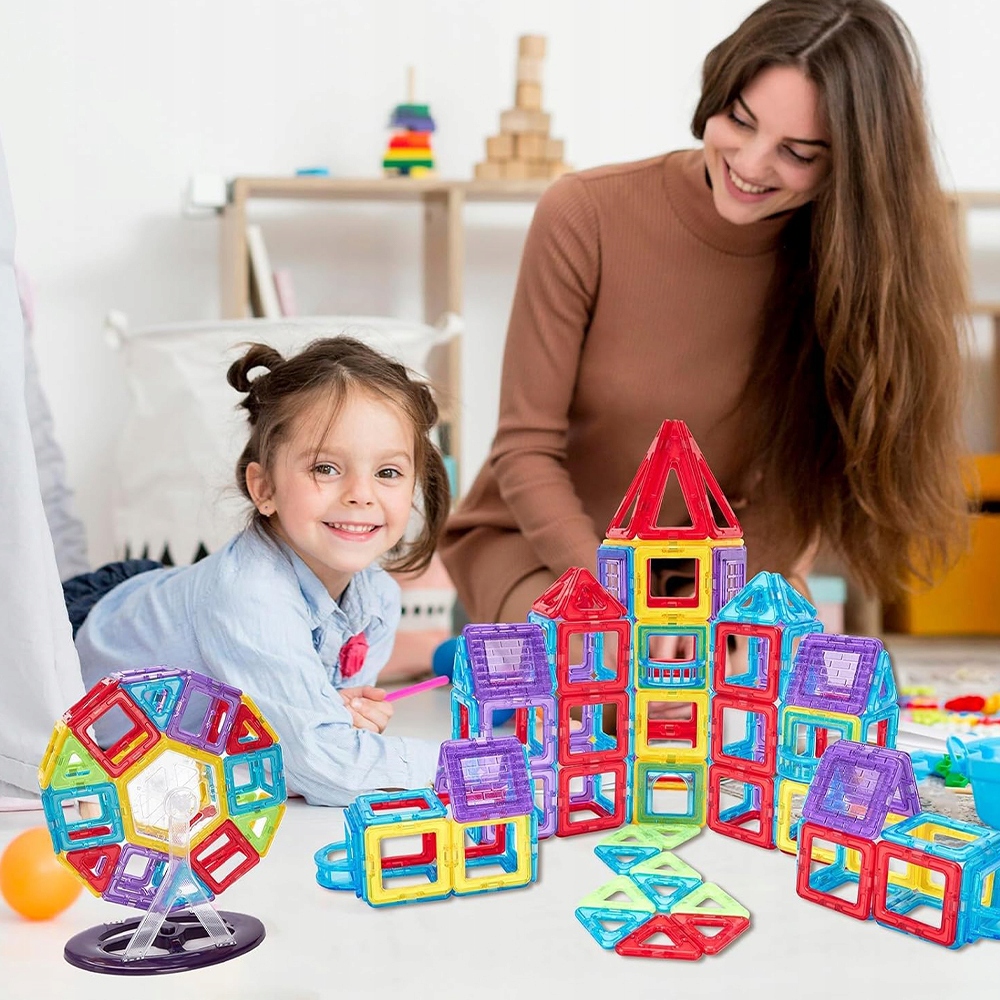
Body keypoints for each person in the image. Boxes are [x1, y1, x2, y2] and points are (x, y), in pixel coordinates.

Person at [441, 0, 969, 635]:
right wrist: (626, 610)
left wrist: (705, 610)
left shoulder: (850, 273)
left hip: (719, 570)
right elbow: (525, 451)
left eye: (798, 153)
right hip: (546, 553)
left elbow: (796, 492)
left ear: (849, 167)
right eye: (740, 121)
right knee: (611, 681)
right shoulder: (585, 213)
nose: (750, 164)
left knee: (761, 682)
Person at [67, 336, 451, 806]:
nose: (360, 494)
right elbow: (326, 766)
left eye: (387, 473)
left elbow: (315, 736)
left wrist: (329, 722)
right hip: (79, 632)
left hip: (160, 609)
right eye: (326, 468)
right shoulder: (251, 596)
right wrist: (471, 764)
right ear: (264, 488)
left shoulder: (376, 600)